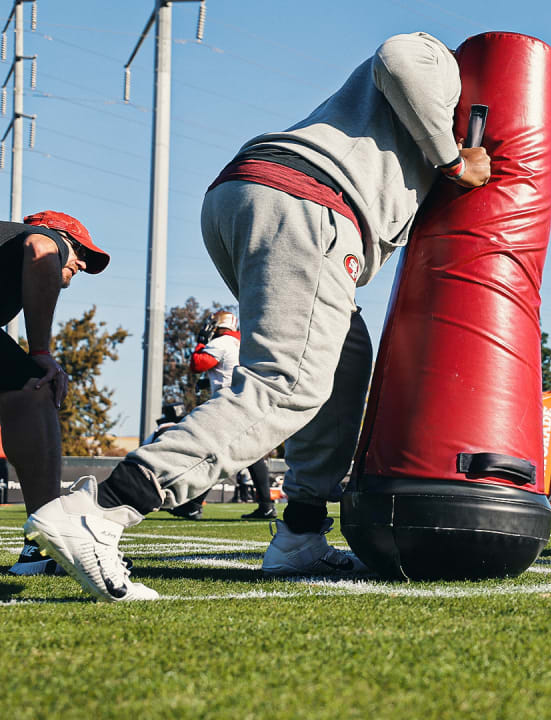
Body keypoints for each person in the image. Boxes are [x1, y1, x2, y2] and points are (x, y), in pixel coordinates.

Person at [22, 32, 492, 602]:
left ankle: (300, 532)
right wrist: (452, 158)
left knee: (342, 361)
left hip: (259, 195)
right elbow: (400, 55)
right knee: (286, 384)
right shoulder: (440, 64)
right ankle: (103, 509)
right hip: (307, 200)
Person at [1, 212, 110, 577]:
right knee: (35, 385)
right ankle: (47, 542)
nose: (79, 262)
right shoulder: (43, 238)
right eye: (79, 250)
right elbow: (41, 248)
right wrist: (42, 353)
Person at [188, 310, 277, 520]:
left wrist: (200, 344)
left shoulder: (222, 343)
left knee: (213, 454)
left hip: (226, 405)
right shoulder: (241, 343)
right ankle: (266, 505)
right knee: (252, 457)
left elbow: (197, 363)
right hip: (246, 400)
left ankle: (193, 505)